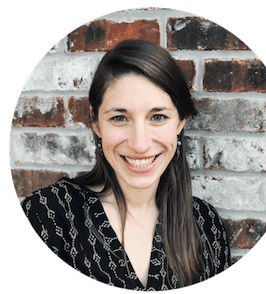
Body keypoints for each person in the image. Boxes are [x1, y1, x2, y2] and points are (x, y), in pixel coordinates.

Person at [21, 39, 231, 291]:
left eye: (158, 117)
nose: (140, 144)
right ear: (96, 124)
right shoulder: (48, 215)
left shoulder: (206, 225)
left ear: (179, 123)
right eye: (119, 118)